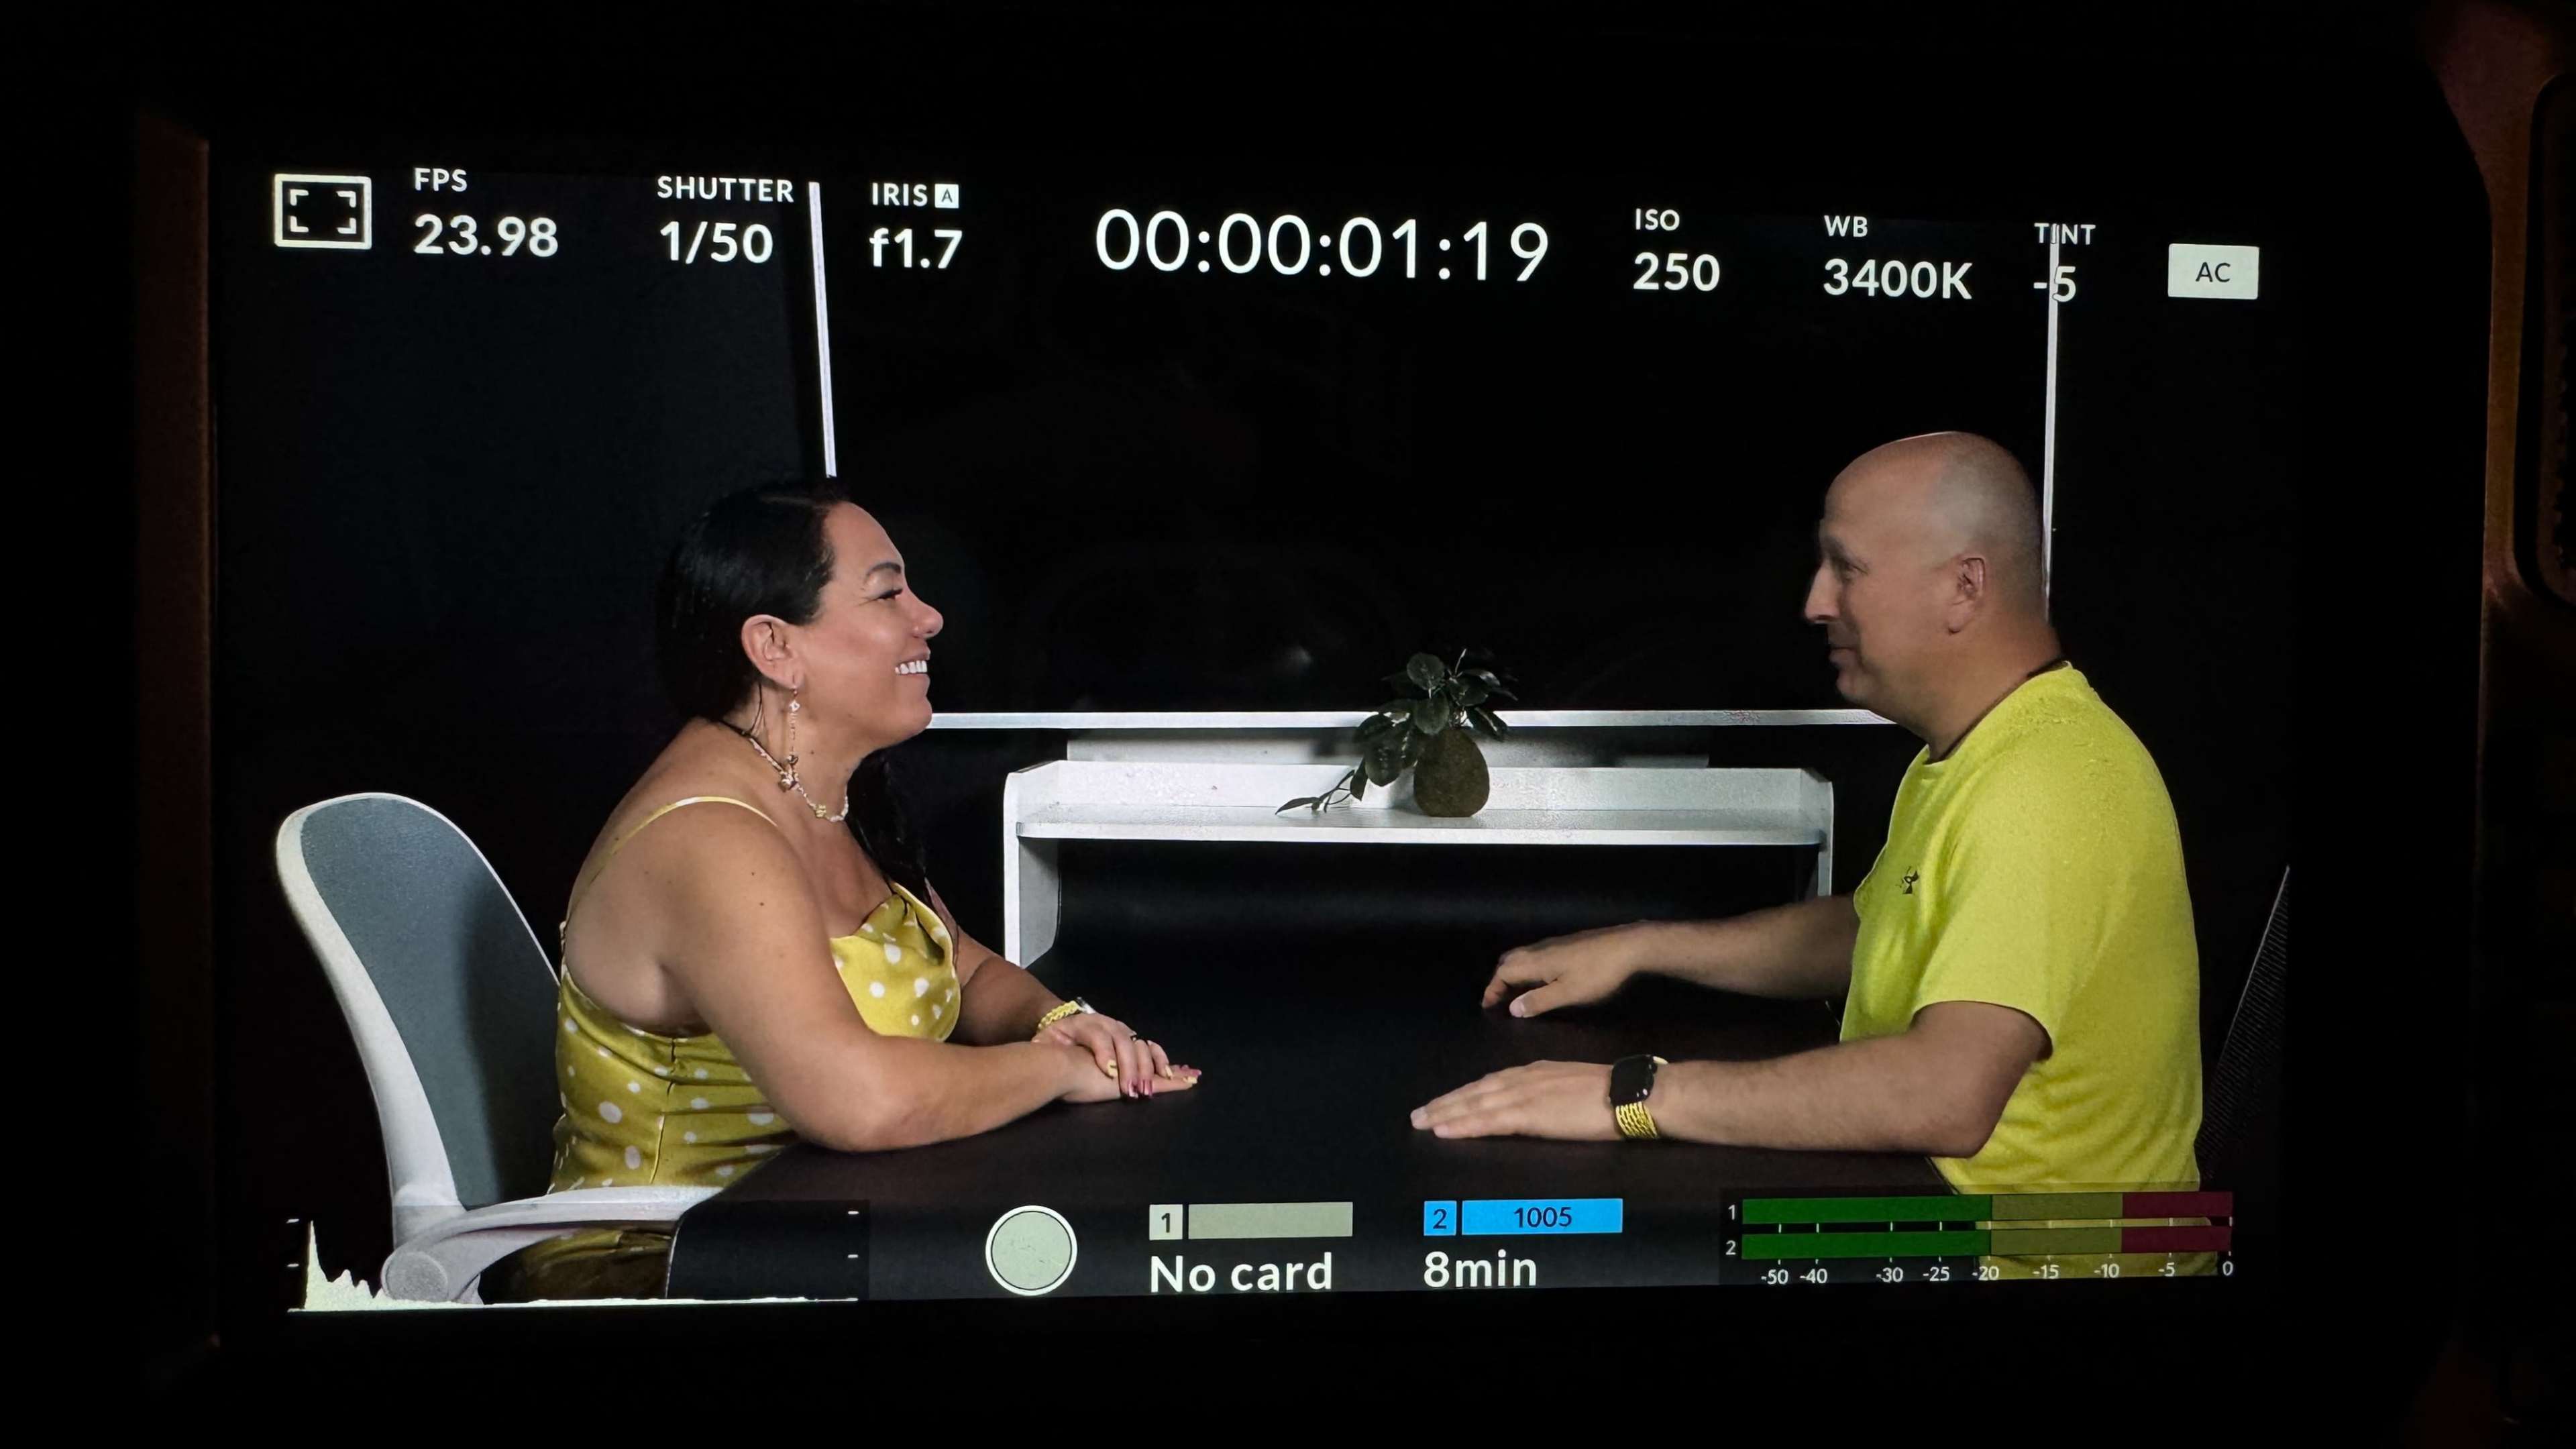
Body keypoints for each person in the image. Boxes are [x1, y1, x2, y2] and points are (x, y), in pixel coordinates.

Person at [1409, 433, 2204, 1277]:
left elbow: (1944, 1095)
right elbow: (1881, 930)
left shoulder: (2042, 786)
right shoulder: (1988, 749)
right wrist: (1645, 947)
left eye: (1846, 567)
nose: (1816, 602)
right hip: (1948, 1217)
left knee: (1597, 1254)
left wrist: (1633, 1097)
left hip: (2028, 1258)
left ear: (1964, 586)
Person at [486, 480, 1201, 1301]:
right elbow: (857, 1102)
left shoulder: (823, 796)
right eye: (889, 593)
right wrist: (1053, 1073)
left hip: (815, 1237)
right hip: (674, 1269)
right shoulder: (709, 839)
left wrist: (1057, 1021)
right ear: (775, 647)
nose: (929, 618)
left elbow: (959, 967)